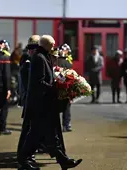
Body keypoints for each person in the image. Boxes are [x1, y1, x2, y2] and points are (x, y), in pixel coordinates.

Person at [18, 35, 82, 170]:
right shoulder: (39, 58)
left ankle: (63, 161)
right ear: (45, 45)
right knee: (36, 134)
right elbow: (39, 82)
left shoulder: (43, 56)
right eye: (52, 45)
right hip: (40, 104)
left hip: (44, 104)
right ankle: (24, 160)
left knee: (49, 135)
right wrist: (56, 88)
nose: (54, 48)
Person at [17, 35, 40, 163]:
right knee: (28, 129)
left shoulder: (28, 59)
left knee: (29, 128)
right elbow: (29, 84)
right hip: (30, 100)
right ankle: (25, 156)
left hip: (29, 99)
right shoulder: (27, 61)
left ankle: (27, 154)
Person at [58, 44, 73, 132]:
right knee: (66, 108)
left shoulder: (54, 61)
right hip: (65, 88)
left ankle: (58, 126)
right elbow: (71, 78)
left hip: (57, 87)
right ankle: (66, 125)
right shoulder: (68, 63)